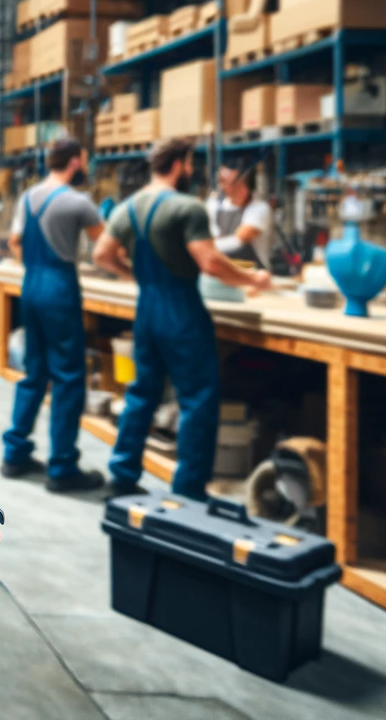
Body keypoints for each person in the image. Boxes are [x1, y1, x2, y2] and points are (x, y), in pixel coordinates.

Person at [92, 137, 271, 500]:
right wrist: (253, 279)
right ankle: (188, 491)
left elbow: (102, 255)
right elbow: (210, 261)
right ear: (177, 165)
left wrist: (135, 276)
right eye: (190, 164)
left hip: (148, 311)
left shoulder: (127, 208)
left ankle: (122, 476)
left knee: (142, 393)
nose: (192, 171)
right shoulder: (187, 207)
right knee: (197, 399)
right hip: (183, 311)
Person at [1, 137, 106, 493]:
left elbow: (15, 241)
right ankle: (62, 468)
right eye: (85, 161)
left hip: (32, 285)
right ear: (75, 162)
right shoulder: (79, 202)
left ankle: (14, 454)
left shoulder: (27, 197)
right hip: (60, 289)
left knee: (34, 372)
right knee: (68, 377)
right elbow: (104, 248)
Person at [205, 161, 272, 267]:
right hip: (226, 271)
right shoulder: (215, 205)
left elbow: (240, 240)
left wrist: (205, 247)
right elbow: (211, 235)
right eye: (222, 181)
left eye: (228, 182)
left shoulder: (259, 209)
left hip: (255, 274)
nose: (223, 187)